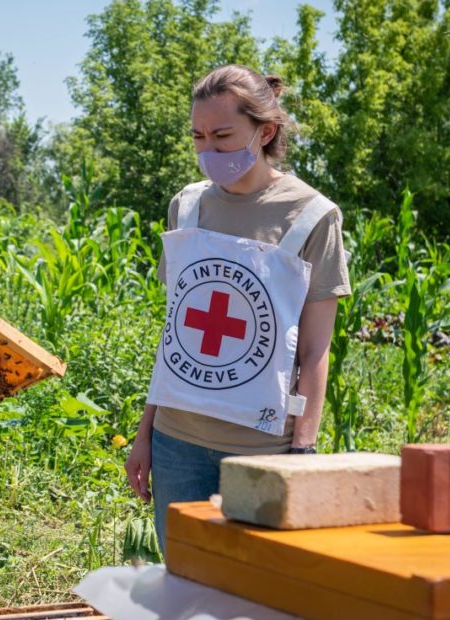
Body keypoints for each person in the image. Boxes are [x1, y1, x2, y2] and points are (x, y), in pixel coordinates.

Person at [123, 65, 351, 553]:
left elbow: (314, 350)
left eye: (223, 136)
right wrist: (145, 434)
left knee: (254, 592)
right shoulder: (185, 207)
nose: (209, 151)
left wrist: (303, 451)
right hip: (175, 443)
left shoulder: (313, 216)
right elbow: (175, 333)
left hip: (261, 451)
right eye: (198, 137)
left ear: (265, 131)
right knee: (183, 587)